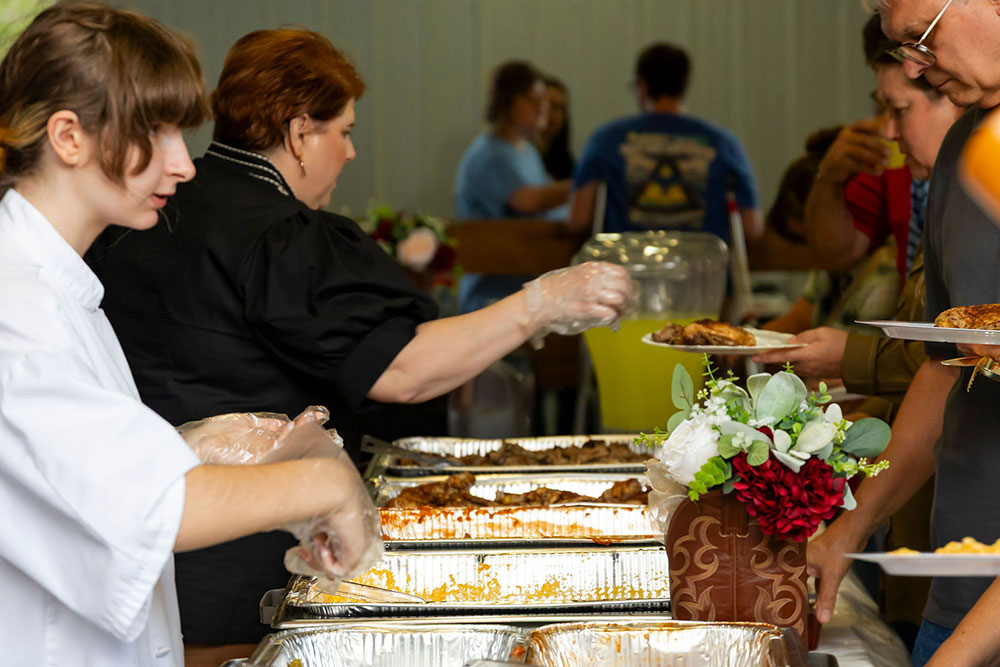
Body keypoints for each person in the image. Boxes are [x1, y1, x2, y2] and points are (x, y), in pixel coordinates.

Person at [89, 29, 633, 660]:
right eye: (344, 131)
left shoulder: (156, 210)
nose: (349, 152)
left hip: (146, 556)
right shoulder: (280, 234)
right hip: (243, 568)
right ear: (299, 133)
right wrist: (542, 302)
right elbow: (403, 370)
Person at [0, 4, 382, 666]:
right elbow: (150, 509)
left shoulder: (59, 285)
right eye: (156, 130)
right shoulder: (19, 309)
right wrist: (325, 485)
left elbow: (70, 470)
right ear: (69, 137)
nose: (183, 164)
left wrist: (186, 446)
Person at [808, 1, 1000, 665]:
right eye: (901, 46)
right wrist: (849, 528)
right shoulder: (963, 150)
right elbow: (943, 367)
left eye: (921, 35)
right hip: (961, 590)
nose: (914, 65)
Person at [568, 42, 762, 243]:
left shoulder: (605, 140)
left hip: (626, 260)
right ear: (685, 84)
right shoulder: (724, 144)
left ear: (642, 86)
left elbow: (578, 220)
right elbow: (751, 228)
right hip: (702, 261)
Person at [454, 60, 572, 313]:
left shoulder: (526, 149)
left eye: (544, 99)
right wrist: (585, 183)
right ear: (508, 101)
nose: (543, 107)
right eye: (533, 99)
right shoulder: (490, 154)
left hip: (525, 283)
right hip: (492, 294)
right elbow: (530, 201)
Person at [537, 75, 575, 180]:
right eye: (551, 105)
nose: (556, 114)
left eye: (561, 108)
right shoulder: (522, 154)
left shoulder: (565, 161)